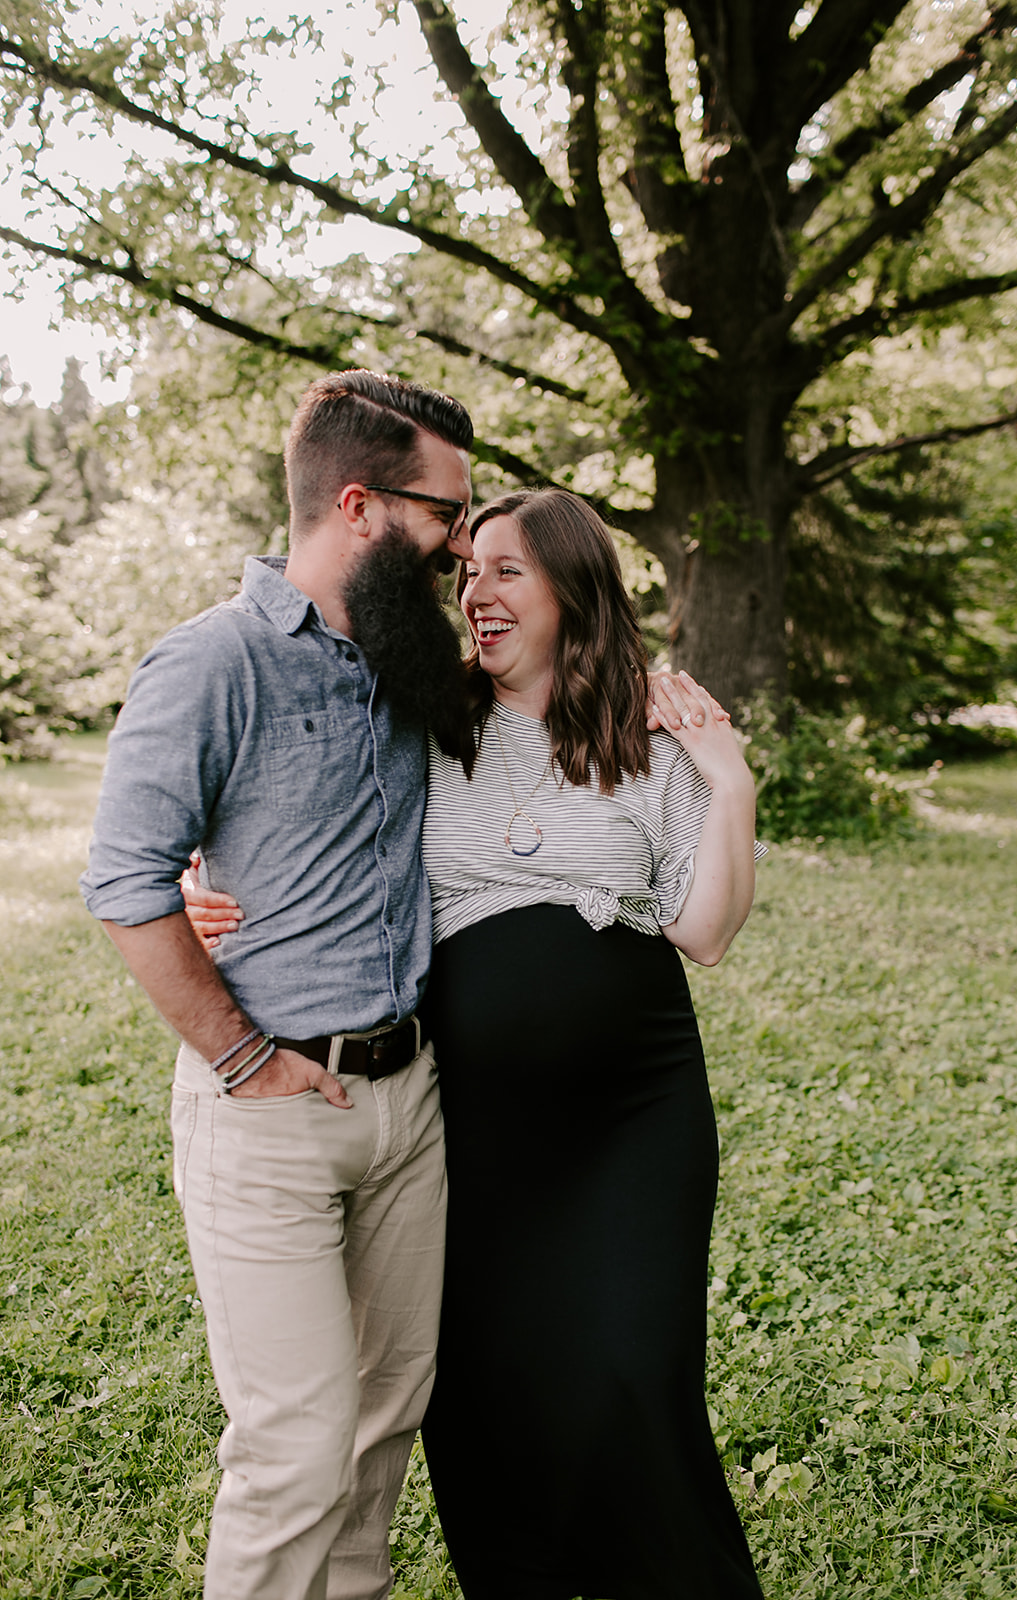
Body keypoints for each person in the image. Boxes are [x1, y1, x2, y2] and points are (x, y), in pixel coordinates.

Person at [188, 487, 767, 1600]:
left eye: (505, 569)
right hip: (472, 1125)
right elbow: (288, 793)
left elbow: (704, 932)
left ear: (569, 586)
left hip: (631, 1115)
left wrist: (728, 779)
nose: (475, 592)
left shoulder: (646, 731)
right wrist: (197, 876)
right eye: (468, 572)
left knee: (635, 1371)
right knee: (484, 1383)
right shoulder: (422, 718)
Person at [79, 368, 480, 1600]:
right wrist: (243, 1057)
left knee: (378, 1431)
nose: (460, 546)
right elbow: (125, 880)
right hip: (266, 1116)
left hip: (408, 1107)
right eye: (442, 515)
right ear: (358, 506)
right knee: (294, 1453)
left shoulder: (412, 662)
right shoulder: (210, 662)